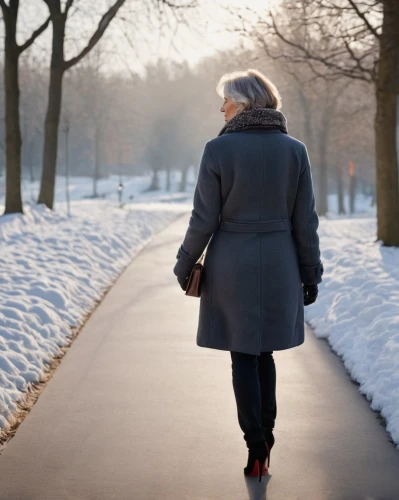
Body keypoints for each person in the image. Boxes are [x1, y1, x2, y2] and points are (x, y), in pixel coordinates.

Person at [172, 69, 324, 482]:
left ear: (242, 102)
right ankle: (267, 437)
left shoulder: (218, 150)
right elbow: (304, 221)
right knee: (265, 352)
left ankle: (254, 441)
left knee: (243, 353)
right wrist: (310, 271)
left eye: (225, 99)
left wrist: (185, 262)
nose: (221, 107)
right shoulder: (295, 151)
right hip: (280, 260)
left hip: (232, 263)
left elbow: (203, 218)